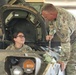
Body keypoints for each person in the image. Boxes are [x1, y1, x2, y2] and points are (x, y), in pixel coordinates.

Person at [41, 4, 76, 75]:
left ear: (52, 14)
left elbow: (65, 44)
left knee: (70, 64)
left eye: (46, 16)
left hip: (74, 40)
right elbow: (51, 22)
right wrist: (51, 34)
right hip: (69, 38)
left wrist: (63, 60)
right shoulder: (54, 11)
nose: (45, 19)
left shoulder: (63, 26)